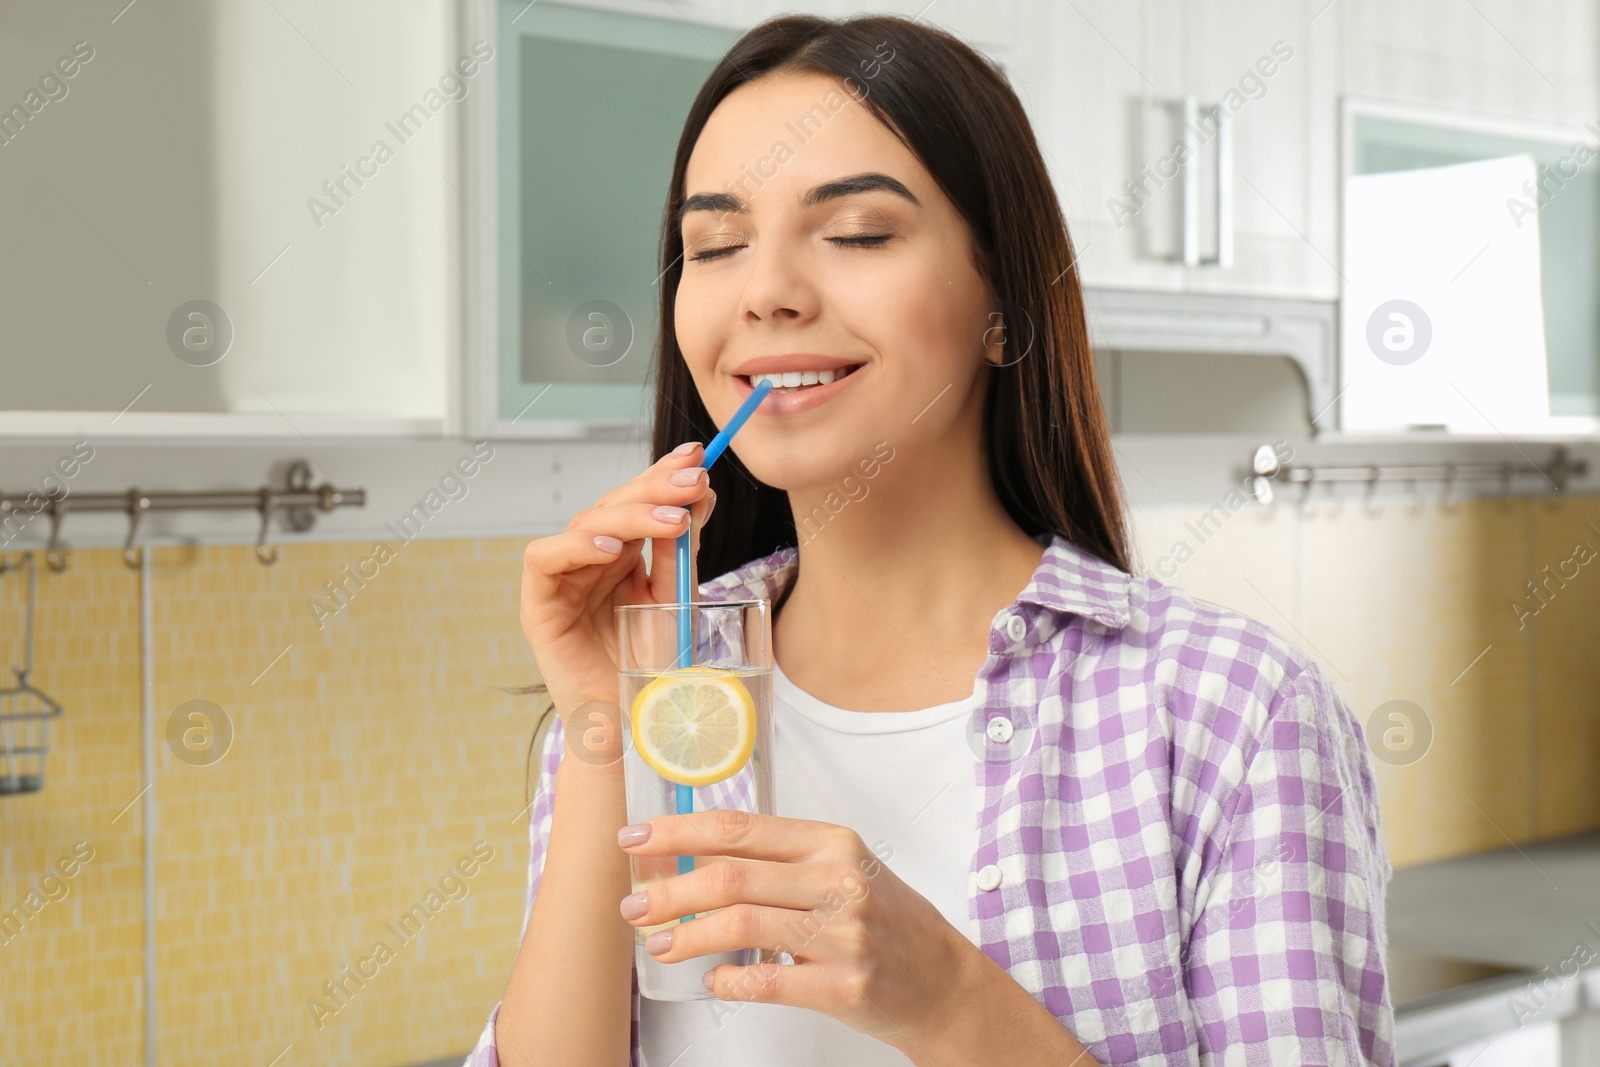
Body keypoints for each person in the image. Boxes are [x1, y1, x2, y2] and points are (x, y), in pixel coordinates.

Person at [467, 12, 1392, 1066]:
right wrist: (599, 728)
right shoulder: (659, 700)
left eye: (858, 231)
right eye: (714, 245)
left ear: (1001, 299)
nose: (765, 290)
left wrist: (949, 999)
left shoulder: (1233, 713)